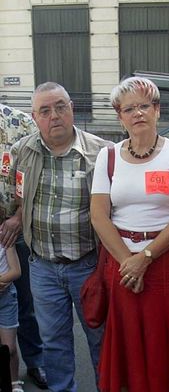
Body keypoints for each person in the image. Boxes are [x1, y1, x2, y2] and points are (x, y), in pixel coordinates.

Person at [90, 76, 169, 392]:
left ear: (157, 110)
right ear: (119, 116)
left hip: (163, 263)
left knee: (166, 345)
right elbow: (98, 214)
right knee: (129, 347)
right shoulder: (107, 157)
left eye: (144, 106)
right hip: (122, 266)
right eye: (128, 108)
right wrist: (128, 262)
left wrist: (145, 257)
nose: (137, 114)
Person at [9, 82, 109, 391]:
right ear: (34, 117)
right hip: (42, 268)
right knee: (54, 344)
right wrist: (16, 216)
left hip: (88, 267)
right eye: (45, 110)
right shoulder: (21, 151)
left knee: (100, 340)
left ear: (72, 110)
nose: (54, 116)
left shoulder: (102, 152)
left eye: (60, 107)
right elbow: (18, 198)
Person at [0, 103, 47, 389]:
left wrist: (18, 216)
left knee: (26, 302)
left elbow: (40, 173)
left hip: (16, 228)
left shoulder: (18, 121)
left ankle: (35, 362)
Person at [0, 244, 23, 391]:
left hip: (6, 299)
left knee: (10, 348)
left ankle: (14, 381)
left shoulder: (4, 237)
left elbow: (16, 271)